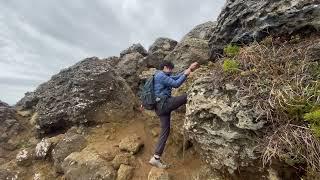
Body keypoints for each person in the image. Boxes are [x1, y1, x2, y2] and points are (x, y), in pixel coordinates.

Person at [148, 60, 199, 168]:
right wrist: (188, 70)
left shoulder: (160, 76)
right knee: (189, 95)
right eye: (170, 69)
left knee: (165, 132)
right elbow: (176, 84)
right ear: (165, 67)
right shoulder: (161, 75)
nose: (171, 71)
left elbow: (175, 77)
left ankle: (156, 158)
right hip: (165, 104)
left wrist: (188, 70)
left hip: (160, 109)